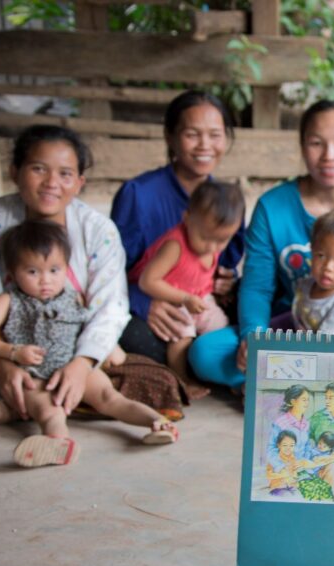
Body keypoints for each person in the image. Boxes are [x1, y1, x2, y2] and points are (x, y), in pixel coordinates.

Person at [190, 100, 334, 390]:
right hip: (293, 328)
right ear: (302, 145)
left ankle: (280, 382)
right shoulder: (272, 206)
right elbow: (258, 287)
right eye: (316, 143)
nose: (329, 156)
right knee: (205, 353)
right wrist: (254, 337)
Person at [0, 125, 185, 420]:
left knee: (154, 372)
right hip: (6, 341)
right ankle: (27, 395)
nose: (51, 183)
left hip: (72, 340)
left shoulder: (97, 230)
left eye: (65, 174)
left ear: (79, 182)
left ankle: (38, 397)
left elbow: (109, 306)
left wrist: (81, 366)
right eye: (38, 169)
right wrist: (5, 363)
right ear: (14, 172)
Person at [0, 220, 178, 466]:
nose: (45, 280)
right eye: (33, 272)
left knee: (111, 397)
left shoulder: (75, 298)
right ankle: (57, 441)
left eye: (54, 270)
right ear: (12, 272)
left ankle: (159, 423)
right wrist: (12, 352)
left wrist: (110, 347)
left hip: (71, 366)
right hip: (32, 374)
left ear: (66, 269)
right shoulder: (7, 301)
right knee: (50, 409)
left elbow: (88, 324)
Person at [112, 90, 245, 364]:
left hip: (201, 305)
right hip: (153, 308)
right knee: (133, 336)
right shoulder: (138, 195)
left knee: (250, 312)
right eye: (192, 134)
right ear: (170, 137)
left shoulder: (227, 201)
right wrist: (142, 302)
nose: (204, 145)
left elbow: (227, 261)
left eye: (215, 135)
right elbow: (108, 271)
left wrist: (224, 281)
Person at [129, 180, 245, 393]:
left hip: (199, 297)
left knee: (221, 326)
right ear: (187, 219)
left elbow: (201, 273)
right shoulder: (175, 245)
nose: (211, 247)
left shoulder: (213, 238)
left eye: (221, 241)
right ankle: (181, 380)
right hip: (170, 297)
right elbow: (147, 281)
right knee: (182, 333)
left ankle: (230, 378)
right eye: (204, 238)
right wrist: (183, 298)